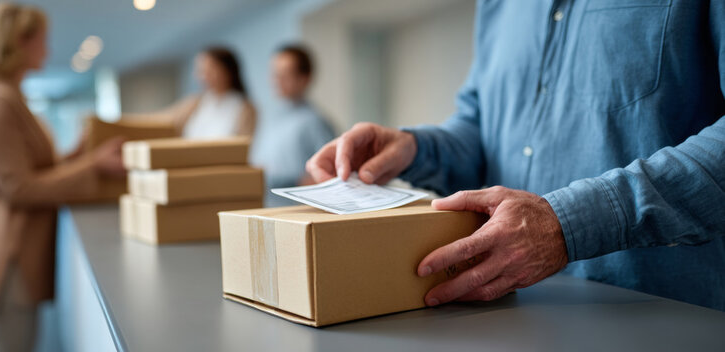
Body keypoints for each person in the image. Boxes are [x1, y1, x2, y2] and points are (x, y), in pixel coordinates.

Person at [307, 1, 725, 311]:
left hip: (663, 316)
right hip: (506, 314)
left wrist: (567, 225)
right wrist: (415, 148)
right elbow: (480, 127)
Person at [0, 2, 125, 352]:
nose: (49, 49)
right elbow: (18, 188)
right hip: (8, 249)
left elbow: (31, 170)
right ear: (18, 42)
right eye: (43, 40)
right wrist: (93, 164)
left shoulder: (10, 97)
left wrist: (78, 154)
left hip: (17, 244)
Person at [251, 44, 335, 206]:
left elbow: (330, 178)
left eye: (285, 75)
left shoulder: (314, 122)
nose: (278, 81)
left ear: (305, 78)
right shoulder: (271, 119)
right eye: (275, 74)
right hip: (268, 208)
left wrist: (292, 183)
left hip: (296, 214)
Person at [142, 46, 257, 139]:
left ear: (228, 71)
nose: (203, 77)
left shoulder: (245, 108)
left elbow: (242, 147)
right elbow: (158, 120)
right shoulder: (195, 103)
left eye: (209, 71)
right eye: (201, 71)